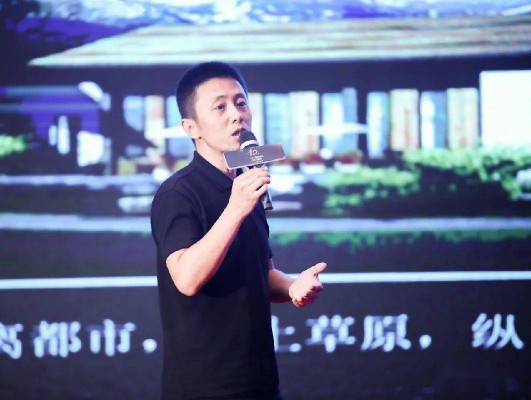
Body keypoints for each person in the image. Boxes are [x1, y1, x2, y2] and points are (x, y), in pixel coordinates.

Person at [150, 61, 327, 400]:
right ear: (191, 127)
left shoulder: (247, 186)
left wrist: (293, 287)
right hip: (204, 388)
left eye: (241, 103)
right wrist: (235, 208)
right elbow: (186, 278)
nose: (236, 115)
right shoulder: (178, 193)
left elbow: (262, 273)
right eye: (220, 107)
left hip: (260, 383)